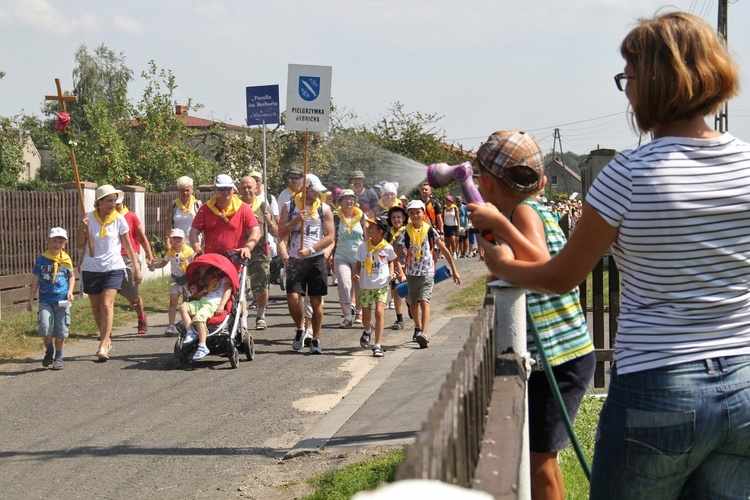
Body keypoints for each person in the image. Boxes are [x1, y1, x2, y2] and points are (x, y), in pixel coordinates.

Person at [469, 12, 749, 499]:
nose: (627, 91)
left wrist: (502, 265)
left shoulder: (630, 174)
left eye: (630, 77)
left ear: (658, 81)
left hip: (659, 383)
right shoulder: (746, 164)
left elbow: (561, 277)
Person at [469, 130, 595, 500]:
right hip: (561, 355)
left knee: (538, 462)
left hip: (556, 359)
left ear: (485, 183)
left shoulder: (522, 212)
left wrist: (500, 226)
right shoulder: (533, 208)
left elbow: (543, 264)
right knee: (543, 459)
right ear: (541, 181)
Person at [77, 184, 142, 361]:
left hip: (114, 267)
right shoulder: (88, 218)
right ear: (99, 201)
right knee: (96, 309)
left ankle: (104, 344)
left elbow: (128, 245)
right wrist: (82, 228)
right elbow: (78, 244)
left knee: (107, 304)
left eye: (114, 200)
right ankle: (105, 335)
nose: (113, 204)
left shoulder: (119, 219)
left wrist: (136, 268)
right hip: (91, 268)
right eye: (109, 201)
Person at [278, 173, 335, 354]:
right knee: (293, 299)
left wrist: (311, 250)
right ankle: (300, 327)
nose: (317, 193)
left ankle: (316, 338)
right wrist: (295, 221)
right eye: (313, 190)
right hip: (295, 259)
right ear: (305, 189)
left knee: (316, 300)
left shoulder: (324, 209)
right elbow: (280, 232)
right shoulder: (290, 206)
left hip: (315, 258)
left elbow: (330, 236)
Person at [395, 200, 460, 348]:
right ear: (408, 215)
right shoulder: (405, 232)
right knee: (413, 303)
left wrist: (454, 270)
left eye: (418, 212)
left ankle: (424, 334)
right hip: (411, 272)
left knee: (425, 301)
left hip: (427, 272)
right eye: (411, 213)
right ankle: (417, 326)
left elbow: (445, 250)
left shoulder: (430, 230)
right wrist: (400, 270)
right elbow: (397, 255)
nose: (415, 215)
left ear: (423, 213)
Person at [27, 227, 75, 370]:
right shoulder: (42, 259)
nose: (57, 244)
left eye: (61, 242)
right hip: (45, 300)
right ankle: (49, 350)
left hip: (62, 300)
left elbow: (71, 276)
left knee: (61, 330)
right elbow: (36, 278)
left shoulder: (66, 259)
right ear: (48, 241)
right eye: (54, 241)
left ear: (65, 244)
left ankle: (59, 357)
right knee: (45, 328)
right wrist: (31, 299)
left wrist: (71, 291)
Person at [353, 216, 398, 357]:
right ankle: (367, 330)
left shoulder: (387, 248)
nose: (367, 229)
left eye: (371, 227)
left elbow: (391, 261)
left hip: (381, 285)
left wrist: (392, 272)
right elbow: (358, 265)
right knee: (366, 317)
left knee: (379, 312)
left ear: (380, 231)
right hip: (366, 286)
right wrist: (356, 274)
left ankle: (377, 345)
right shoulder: (363, 247)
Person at [189, 174, 260, 261]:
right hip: (212, 261)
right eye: (221, 188)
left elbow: (256, 230)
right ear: (214, 189)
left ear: (233, 189)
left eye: (228, 188)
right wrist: (197, 249)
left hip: (235, 259)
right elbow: (194, 231)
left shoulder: (243, 208)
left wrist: (247, 247)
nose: (225, 191)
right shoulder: (205, 209)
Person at [239, 175, 278, 330]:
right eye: (244, 187)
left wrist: (269, 222)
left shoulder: (263, 207)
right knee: (239, 288)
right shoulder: (235, 205)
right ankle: (241, 319)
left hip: (259, 253)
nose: (247, 190)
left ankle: (261, 315)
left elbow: (276, 232)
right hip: (239, 252)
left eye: (250, 187)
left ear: (256, 188)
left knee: (261, 288)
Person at [116, 194, 154, 335]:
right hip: (112, 258)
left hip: (128, 257)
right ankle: (105, 331)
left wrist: (149, 255)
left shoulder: (130, 216)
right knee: (107, 297)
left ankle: (141, 316)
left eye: (117, 203)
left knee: (132, 296)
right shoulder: (106, 217)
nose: (115, 206)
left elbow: (141, 236)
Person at [178, 265, 233, 361]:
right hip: (203, 301)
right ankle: (190, 332)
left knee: (199, 318)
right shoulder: (210, 286)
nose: (206, 280)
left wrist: (221, 304)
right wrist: (195, 293)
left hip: (212, 304)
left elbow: (228, 291)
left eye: (207, 277)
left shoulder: (224, 280)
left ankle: (202, 345)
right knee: (183, 307)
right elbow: (200, 296)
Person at [149, 228, 195, 335]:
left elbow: (194, 264)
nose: (176, 240)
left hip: (187, 279)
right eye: (174, 238)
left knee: (186, 302)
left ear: (184, 239)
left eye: (179, 238)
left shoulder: (189, 252)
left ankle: (186, 324)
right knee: (173, 301)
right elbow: (163, 263)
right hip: (175, 279)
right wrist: (153, 266)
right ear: (170, 240)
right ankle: (170, 325)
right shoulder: (170, 252)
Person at [332, 188, 366, 328]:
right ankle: (347, 317)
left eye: (351, 198)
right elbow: (332, 238)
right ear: (340, 202)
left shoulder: (362, 217)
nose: (349, 201)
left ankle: (359, 312)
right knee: (344, 284)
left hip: (359, 257)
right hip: (341, 256)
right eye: (345, 198)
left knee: (359, 286)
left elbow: (368, 236)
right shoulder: (335, 217)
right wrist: (328, 255)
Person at [165, 176, 201, 252]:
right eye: (182, 191)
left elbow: (203, 224)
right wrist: (167, 242)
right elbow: (168, 225)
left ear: (192, 190)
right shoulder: (173, 205)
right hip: (178, 245)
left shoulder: (197, 204)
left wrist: (204, 242)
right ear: (179, 191)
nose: (185, 193)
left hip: (195, 244)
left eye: (187, 190)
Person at [386, 205, 408, 330]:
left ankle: (410, 306)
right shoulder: (388, 233)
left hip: (408, 265)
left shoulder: (408, 231)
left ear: (404, 218)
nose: (396, 220)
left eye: (399, 217)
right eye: (393, 217)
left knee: (408, 294)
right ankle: (399, 319)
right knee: (396, 292)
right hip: (393, 265)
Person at [442, 195, 459, 259]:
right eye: (445, 201)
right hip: (446, 225)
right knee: (447, 241)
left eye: (447, 201)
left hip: (453, 225)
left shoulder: (455, 208)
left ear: (451, 201)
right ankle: (448, 253)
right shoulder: (444, 208)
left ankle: (454, 253)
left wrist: (458, 227)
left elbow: (457, 218)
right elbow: (442, 217)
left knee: (452, 239)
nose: (446, 202)